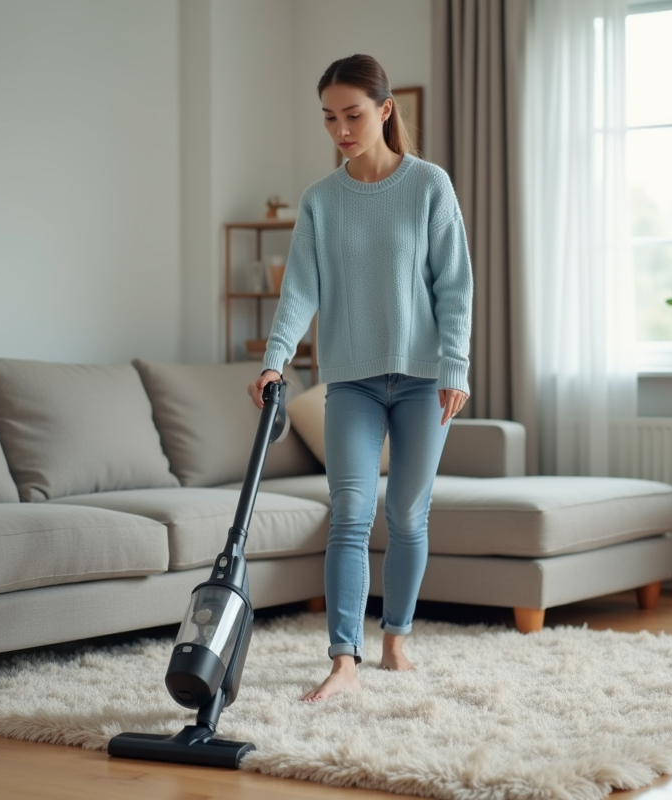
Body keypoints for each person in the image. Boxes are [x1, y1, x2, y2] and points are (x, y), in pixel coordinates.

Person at [248, 54, 473, 702]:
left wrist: (455, 364)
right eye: (329, 118)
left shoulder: (429, 185)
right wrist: (274, 359)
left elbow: (454, 285)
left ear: (384, 110)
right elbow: (299, 291)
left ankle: (395, 640)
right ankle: (344, 658)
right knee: (349, 512)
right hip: (351, 381)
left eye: (352, 115)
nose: (341, 130)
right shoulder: (321, 201)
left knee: (406, 514)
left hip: (424, 379)